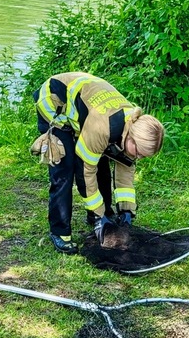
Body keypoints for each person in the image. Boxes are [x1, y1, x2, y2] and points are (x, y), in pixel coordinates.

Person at [33, 72, 165, 254]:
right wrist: (98, 215)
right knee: (65, 167)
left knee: (101, 158)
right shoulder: (103, 129)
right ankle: (60, 232)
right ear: (131, 138)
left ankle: (102, 214)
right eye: (139, 153)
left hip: (87, 107)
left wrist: (127, 211)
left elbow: (125, 173)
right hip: (55, 102)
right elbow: (85, 172)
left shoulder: (131, 125)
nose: (139, 158)